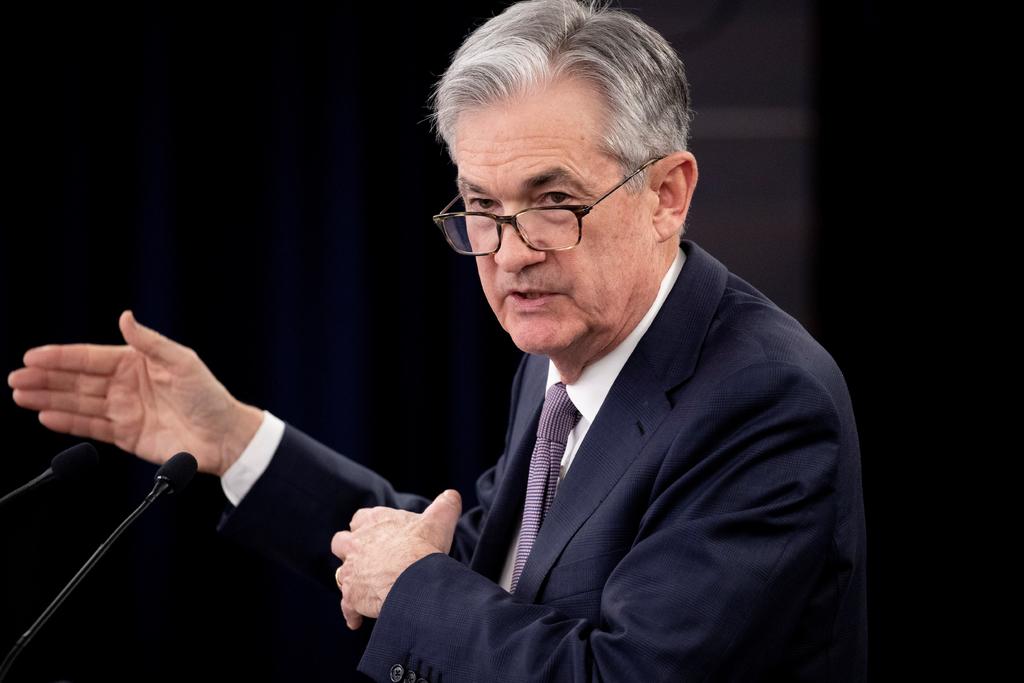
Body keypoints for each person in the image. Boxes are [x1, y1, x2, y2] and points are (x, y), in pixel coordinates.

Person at [7, 1, 867, 681]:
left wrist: (412, 586)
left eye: (553, 201)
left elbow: (620, 671)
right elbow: (480, 566)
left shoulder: (764, 400)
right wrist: (235, 441)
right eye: (483, 207)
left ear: (667, 195)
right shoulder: (564, 356)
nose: (511, 253)